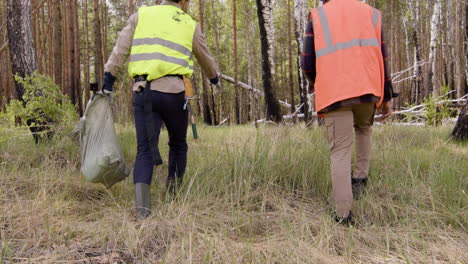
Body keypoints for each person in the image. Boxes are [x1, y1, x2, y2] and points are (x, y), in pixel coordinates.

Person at [103, 0, 219, 219]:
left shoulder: (141, 15)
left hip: (144, 92)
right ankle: (173, 197)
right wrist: (214, 78)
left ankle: (142, 213)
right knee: (178, 145)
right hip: (176, 94)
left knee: (145, 151)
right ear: (183, 1)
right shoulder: (189, 23)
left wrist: (109, 79)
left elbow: (120, 49)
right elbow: (204, 55)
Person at [301, 0, 398, 225]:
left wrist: (318, 82)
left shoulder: (318, 15)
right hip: (368, 88)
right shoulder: (372, 14)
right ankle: (360, 179)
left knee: (340, 150)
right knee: (364, 129)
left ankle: (343, 215)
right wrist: (387, 97)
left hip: (335, 93)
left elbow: (307, 63)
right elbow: (383, 58)